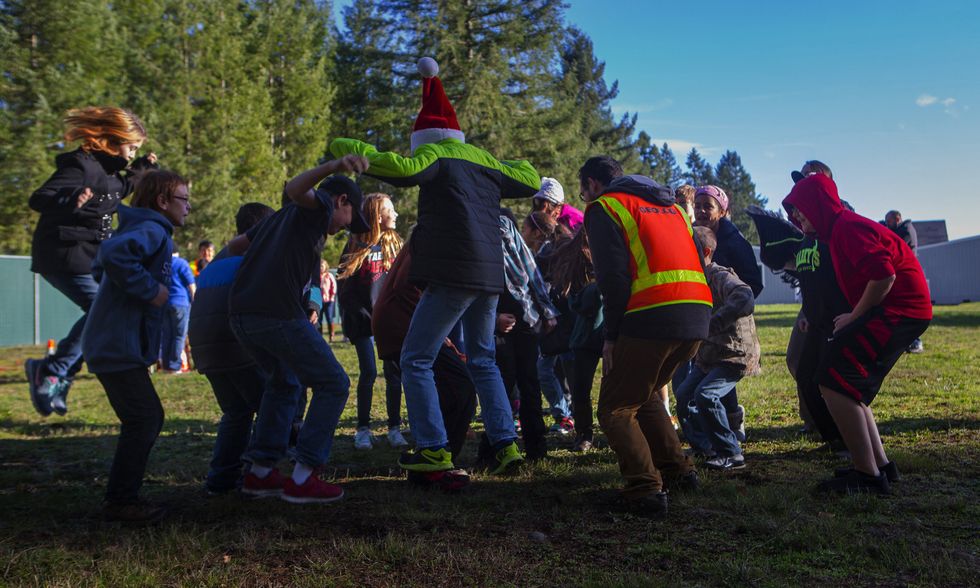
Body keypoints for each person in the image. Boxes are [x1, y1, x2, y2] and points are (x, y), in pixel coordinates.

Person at [328, 57, 540, 476]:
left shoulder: (434, 154)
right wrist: (495, 162)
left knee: (415, 357)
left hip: (452, 271)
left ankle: (433, 447)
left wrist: (348, 150)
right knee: (482, 359)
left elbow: (401, 169)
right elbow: (530, 178)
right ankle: (504, 444)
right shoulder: (482, 160)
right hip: (489, 275)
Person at [226, 154, 370, 504]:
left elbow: (235, 247)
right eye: (349, 220)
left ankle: (260, 473)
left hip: (242, 315)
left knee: (284, 382)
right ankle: (304, 476)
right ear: (341, 200)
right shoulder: (316, 209)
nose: (343, 231)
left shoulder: (278, 221)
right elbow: (294, 188)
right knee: (333, 382)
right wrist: (334, 167)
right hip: (277, 313)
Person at [783, 174, 931, 494]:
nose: (796, 217)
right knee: (848, 385)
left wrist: (855, 315)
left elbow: (884, 275)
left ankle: (867, 476)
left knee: (833, 379)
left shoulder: (846, 227)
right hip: (900, 309)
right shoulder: (836, 231)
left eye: (801, 209)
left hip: (900, 309)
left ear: (818, 205)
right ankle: (879, 466)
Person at [581, 156, 711, 518]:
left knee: (615, 408)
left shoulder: (604, 207)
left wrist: (611, 335)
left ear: (592, 185)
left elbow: (613, 279)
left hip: (652, 314)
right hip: (697, 312)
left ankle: (644, 488)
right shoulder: (670, 207)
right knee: (647, 393)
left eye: (582, 192)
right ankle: (678, 472)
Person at [25, 106, 158, 417]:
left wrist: (143, 167)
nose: (131, 155)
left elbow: (124, 186)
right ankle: (52, 370)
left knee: (112, 310)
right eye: (131, 147)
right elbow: (39, 198)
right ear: (113, 139)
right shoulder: (80, 168)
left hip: (92, 257)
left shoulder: (110, 174)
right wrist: (69, 200)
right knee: (101, 311)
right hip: (63, 255)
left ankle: (60, 375)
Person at [80, 169, 191, 523]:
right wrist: (151, 290)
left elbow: (101, 266)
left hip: (112, 342)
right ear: (162, 201)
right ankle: (121, 501)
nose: (188, 207)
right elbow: (113, 256)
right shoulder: (153, 229)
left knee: (142, 418)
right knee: (145, 418)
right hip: (116, 344)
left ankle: (121, 497)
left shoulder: (141, 227)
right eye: (183, 199)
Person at [372, 241, 477, 492]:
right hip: (401, 325)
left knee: (453, 389)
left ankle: (436, 461)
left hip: (403, 324)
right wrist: (436, 330)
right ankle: (436, 464)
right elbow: (405, 287)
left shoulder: (435, 236)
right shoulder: (429, 237)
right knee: (459, 389)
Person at [188, 202, 276, 495]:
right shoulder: (252, 261)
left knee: (236, 412)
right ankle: (259, 473)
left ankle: (222, 478)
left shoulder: (217, 262)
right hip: (238, 348)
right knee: (272, 405)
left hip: (207, 350)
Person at [674, 227, 760, 470]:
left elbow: (745, 296)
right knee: (684, 395)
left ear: (707, 252)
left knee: (706, 395)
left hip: (734, 354)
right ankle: (705, 446)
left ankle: (731, 453)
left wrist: (715, 322)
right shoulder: (693, 279)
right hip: (709, 355)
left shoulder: (719, 275)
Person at [689, 184, 764, 440]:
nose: (700, 210)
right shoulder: (693, 236)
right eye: (697, 205)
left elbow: (753, 285)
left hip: (729, 321)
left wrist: (728, 305)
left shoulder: (734, 242)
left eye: (707, 206)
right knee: (706, 373)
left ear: (722, 211)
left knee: (721, 369)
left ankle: (732, 422)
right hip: (702, 316)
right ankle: (709, 431)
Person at [337, 193, 407, 450]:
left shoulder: (396, 245)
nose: (396, 214)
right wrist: (361, 315)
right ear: (378, 215)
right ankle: (363, 429)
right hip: (363, 322)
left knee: (394, 374)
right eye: (391, 209)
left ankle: (394, 427)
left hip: (389, 322)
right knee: (368, 371)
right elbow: (345, 290)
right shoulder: (356, 245)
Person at [494, 209, 559, 460]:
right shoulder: (496, 236)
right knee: (507, 385)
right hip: (510, 321)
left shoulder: (503, 232)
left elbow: (532, 276)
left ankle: (531, 448)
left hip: (522, 321)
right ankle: (502, 446)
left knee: (520, 384)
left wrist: (546, 310)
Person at [548, 229, 601, 452]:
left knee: (614, 387)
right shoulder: (576, 256)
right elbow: (574, 300)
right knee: (580, 388)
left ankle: (613, 430)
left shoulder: (616, 253)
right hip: (585, 334)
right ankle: (584, 433)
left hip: (612, 332)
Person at [882, 210, 924, 353]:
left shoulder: (906, 230)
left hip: (907, 275)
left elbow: (894, 245)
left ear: (898, 218)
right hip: (902, 274)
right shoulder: (901, 230)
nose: (887, 224)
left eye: (889, 221)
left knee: (909, 310)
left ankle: (915, 341)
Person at [160, 251, 195, 373]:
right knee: (179, 336)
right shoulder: (181, 263)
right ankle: (175, 366)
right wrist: (195, 301)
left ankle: (165, 366)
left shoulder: (162, 264)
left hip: (164, 303)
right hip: (180, 302)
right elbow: (191, 284)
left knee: (166, 336)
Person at [320, 260, 338, 341]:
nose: (320, 268)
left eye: (322, 266)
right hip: (319, 301)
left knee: (329, 318)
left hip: (329, 301)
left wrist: (332, 297)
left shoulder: (329, 275)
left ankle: (331, 335)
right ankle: (319, 336)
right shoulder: (316, 276)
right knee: (318, 319)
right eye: (319, 266)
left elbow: (334, 286)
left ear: (325, 267)